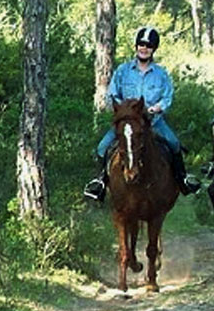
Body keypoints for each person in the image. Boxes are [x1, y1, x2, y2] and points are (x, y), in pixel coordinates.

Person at [84, 26, 201, 203]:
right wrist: (123, 108)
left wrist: (156, 108)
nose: (144, 48)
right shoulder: (123, 71)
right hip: (127, 123)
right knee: (102, 147)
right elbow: (113, 94)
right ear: (136, 46)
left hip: (153, 123)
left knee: (174, 143)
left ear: (154, 49)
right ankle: (100, 182)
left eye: (148, 45)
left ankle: (182, 179)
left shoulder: (161, 74)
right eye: (141, 44)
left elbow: (167, 97)